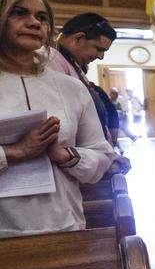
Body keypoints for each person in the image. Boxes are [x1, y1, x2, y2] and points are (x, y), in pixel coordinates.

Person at [0, 0, 115, 237]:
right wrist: (15, 152)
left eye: (41, 17)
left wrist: (67, 156)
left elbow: (101, 154)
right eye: (19, 13)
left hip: (64, 225)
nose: (33, 22)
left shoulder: (69, 87)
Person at [48, 13, 130, 170]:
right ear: (78, 38)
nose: (100, 57)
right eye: (99, 49)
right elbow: (65, 125)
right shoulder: (52, 61)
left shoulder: (70, 63)